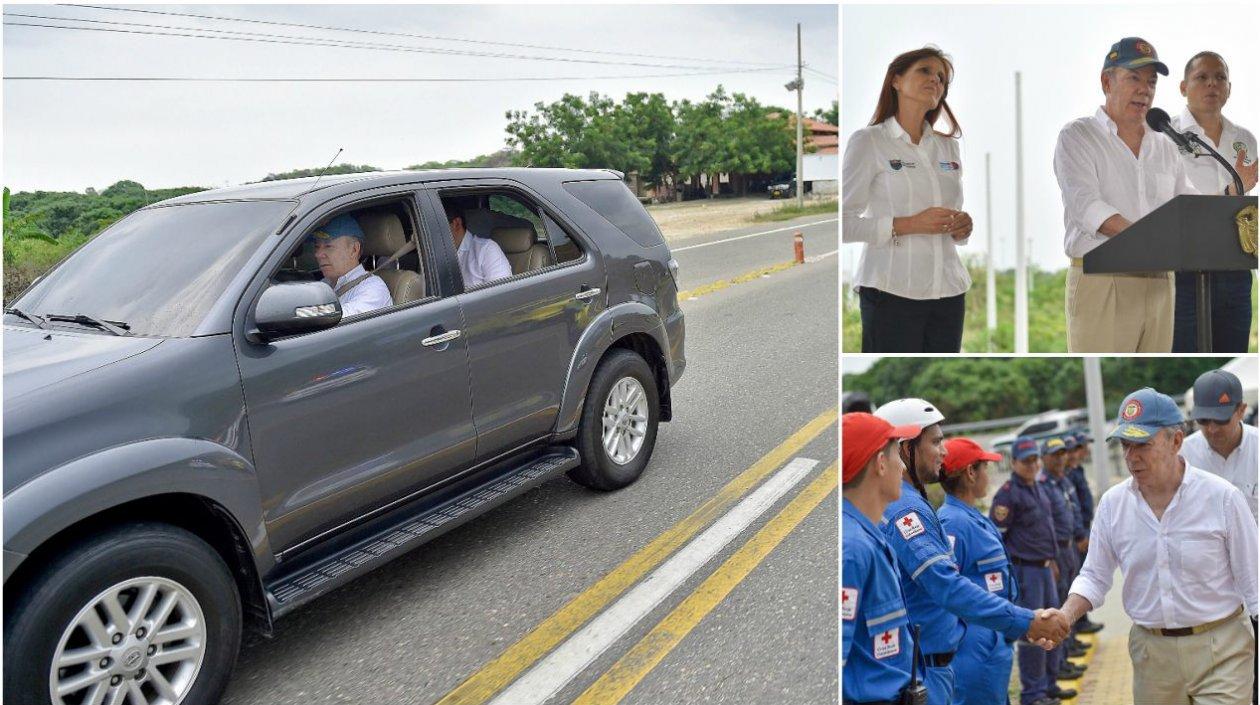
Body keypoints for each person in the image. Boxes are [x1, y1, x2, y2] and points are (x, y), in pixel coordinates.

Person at [1059, 388, 1258, 705]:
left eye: (1142, 444)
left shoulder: (1221, 497)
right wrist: (1065, 616)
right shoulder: (1113, 505)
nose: (1131, 456)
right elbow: (1095, 576)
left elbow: (1254, 580)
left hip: (1223, 648)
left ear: (1176, 441)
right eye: (1125, 445)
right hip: (1153, 656)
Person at [875, 399, 1066, 705]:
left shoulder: (912, 503)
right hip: (926, 670)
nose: (944, 451)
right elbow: (947, 585)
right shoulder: (905, 510)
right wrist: (1026, 621)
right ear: (906, 448)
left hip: (940, 664)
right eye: (936, 441)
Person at [1053, 37, 1197, 353]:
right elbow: (1087, 207)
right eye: (1134, 78)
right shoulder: (1078, 136)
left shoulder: (1165, 144)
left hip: (1161, 281)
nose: (1144, 89)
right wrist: (1148, 240)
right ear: (1107, 81)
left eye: (1151, 82)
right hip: (1104, 278)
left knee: (1154, 373)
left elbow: (1186, 204)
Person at [842, 47, 974, 353]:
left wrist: (962, 227)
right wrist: (909, 224)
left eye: (941, 77)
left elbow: (953, 215)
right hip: (892, 292)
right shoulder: (869, 142)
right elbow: (844, 224)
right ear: (896, 80)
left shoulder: (948, 148)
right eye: (925, 71)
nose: (935, 81)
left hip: (949, 293)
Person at [1171, 51, 1259, 352]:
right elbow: (1175, 204)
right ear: (1183, 87)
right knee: (1184, 349)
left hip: (1234, 266)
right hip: (1183, 270)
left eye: (1220, 77)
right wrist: (1232, 192)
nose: (1212, 84)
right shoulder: (1165, 136)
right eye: (1202, 78)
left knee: (1232, 350)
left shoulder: (1244, 138)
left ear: (1229, 88)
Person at [937, 437, 1025, 705]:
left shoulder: (971, 517)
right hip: (973, 647)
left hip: (994, 639)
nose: (989, 474)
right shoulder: (951, 522)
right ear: (971, 472)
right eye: (985, 467)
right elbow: (946, 586)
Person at [842, 412, 922, 705]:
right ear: (880, 464)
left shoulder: (871, 534)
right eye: (896, 455)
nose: (902, 466)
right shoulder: (852, 550)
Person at [990, 437, 1070, 705]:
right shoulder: (1008, 494)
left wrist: (1053, 561)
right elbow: (997, 539)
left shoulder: (1038, 487)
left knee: (1053, 625)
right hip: (1026, 573)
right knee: (1034, 633)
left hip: (1045, 567)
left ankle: (1048, 685)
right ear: (1013, 463)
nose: (1033, 465)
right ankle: (1033, 694)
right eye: (1026, 461)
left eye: (1035, 459)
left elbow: (1045, 529)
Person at [1182, 369, 1258, 522]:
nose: (1212, 429)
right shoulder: (1182, 455)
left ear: (1241, 411)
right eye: (1203, 420)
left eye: (1221, 419)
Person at [308, 213, 393, 317]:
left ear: (354, 250)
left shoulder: (373, 287)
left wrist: (300, 313)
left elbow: (341, 317)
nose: (318, 254)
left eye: (328, 246)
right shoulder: (325, 284)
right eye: (317, 247)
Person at [1063, 433, 1105, 636]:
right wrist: (1080, 534)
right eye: (1081, 447)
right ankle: (1078, 623)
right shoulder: (1067, 474)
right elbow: (1072, 507)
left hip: (1083, 527)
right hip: (1075, 534)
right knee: (1077, 578)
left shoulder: (1076, 471)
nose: (1083, 451)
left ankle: (1081, 622)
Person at [444, 200, 513, 289]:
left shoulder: (486, 250)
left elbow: (502, 295)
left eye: (436, 225)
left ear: (456, 224)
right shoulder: (434, 254)